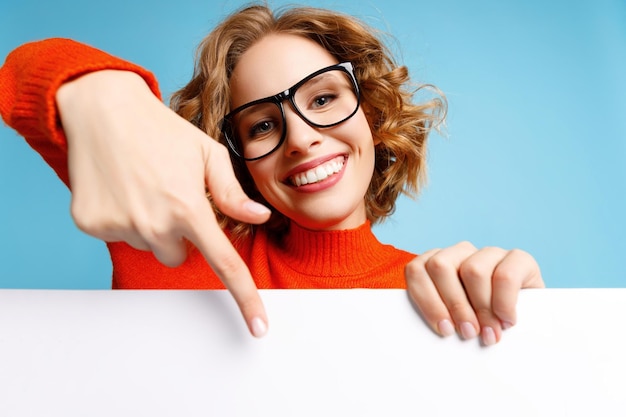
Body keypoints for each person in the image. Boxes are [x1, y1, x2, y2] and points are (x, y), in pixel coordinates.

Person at [0, 4, 544, 344]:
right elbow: (21, 72)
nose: (302, 137)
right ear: (237, 155)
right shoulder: (172, 249)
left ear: (372, 115)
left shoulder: (441, 295)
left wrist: (535, 322)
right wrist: (112, 97)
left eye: (324, 98)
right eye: (262, 126)